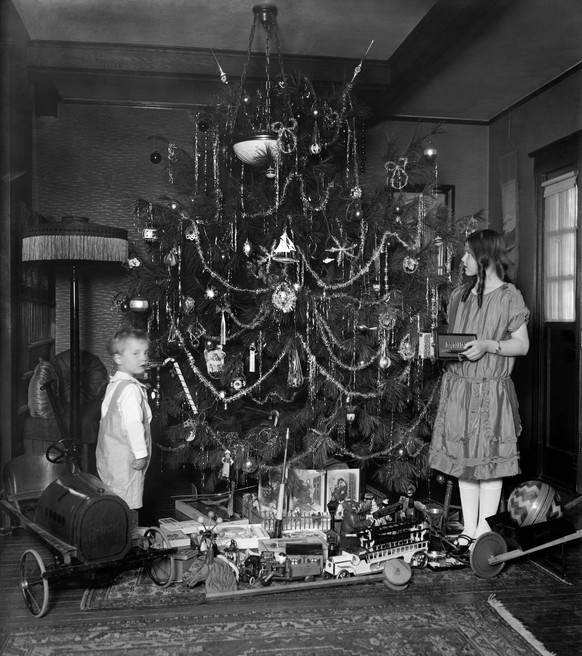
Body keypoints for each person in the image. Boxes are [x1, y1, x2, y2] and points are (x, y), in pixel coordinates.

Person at [429, 229, 530, 548]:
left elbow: (522, 346)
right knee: (464, 464)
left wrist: (488, 345)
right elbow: (453, 340)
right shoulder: (459, 295)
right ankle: (468, 529)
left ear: (485, 257)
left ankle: (485, 532)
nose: (463, 259)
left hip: (490, 392)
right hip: (458, 389)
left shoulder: (509, 296)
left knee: (489, 466)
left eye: (469, 254)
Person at [96, 328, 152, 532]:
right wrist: (140, 454)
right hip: (127, 459)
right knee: (128, 501)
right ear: (118, 358)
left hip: (111, 457)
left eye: (145, 352)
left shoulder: (116, 384)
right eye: (135, 353)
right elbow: (133, 424)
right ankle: (128, 540)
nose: (143, 358)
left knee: (114, 496)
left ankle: (115, 535)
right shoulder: (129, 389)